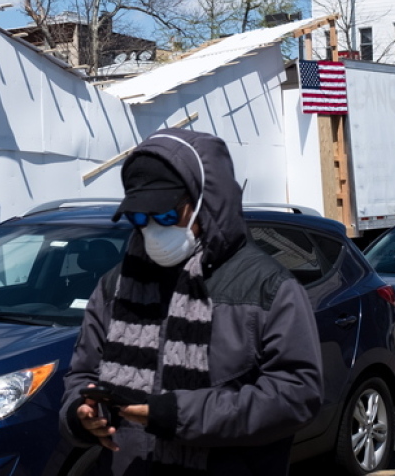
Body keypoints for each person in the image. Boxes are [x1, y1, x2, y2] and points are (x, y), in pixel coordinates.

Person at [59, 128, 323, 476]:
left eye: (167, 215)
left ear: (204, 203)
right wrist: (80, 413)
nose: (152, 227)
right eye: (139, 217)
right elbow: (82, 374)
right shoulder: (115, 285)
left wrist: (179, 414)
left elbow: (296, 394)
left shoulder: (268, 287)